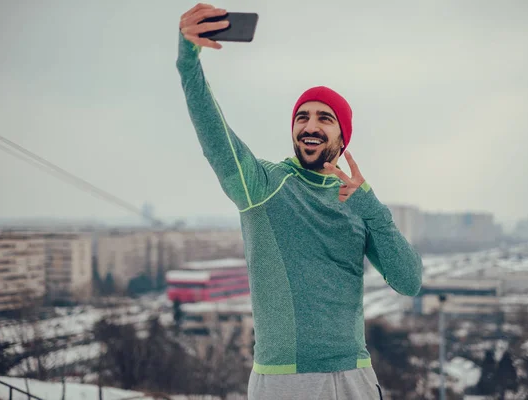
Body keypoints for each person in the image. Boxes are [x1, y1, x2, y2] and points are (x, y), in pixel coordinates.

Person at [176, 4, 423, 399]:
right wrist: (188, 59)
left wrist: (372, 208)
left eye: (325, 118)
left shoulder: (358, 202)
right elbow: (212, 131)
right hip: (285, 382)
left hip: (356, 376)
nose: (310, 125)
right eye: (302, 117)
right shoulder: (264, 185)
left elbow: (409, 281)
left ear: (343, 138)